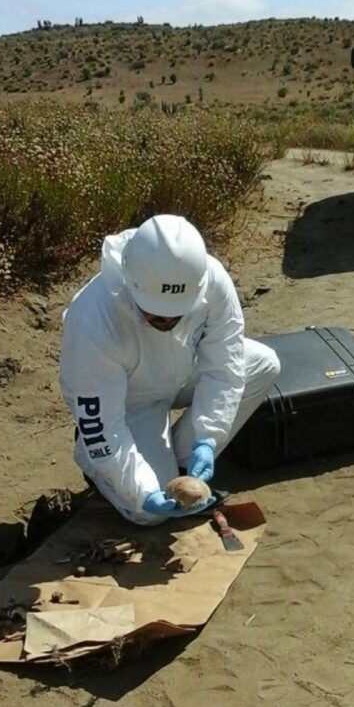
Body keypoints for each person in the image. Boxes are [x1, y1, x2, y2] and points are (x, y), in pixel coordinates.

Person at [58, 214, 280, 525]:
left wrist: (208, 436)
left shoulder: (211, 280)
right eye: (157, 316)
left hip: (182, 369)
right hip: (129, 401)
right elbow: (103, 426)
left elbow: (224, 366)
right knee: (146, 513)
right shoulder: (94, 319)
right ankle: (99, 464)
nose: (167, 322)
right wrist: (142, 490)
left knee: (262, 362)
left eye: (176, 316)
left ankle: (182, 459)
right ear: (132, 286)